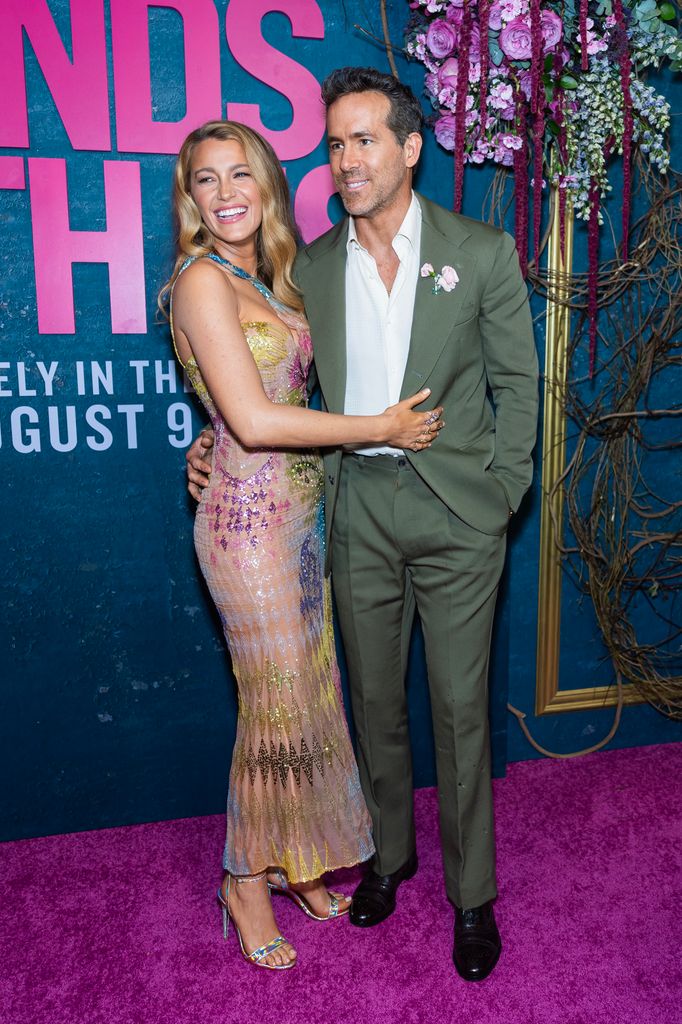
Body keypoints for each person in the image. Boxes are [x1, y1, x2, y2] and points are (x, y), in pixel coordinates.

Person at [186, 67, 539, 982]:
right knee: (373, 708)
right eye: (334, 144)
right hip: (355, 512)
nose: (345, 160)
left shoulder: (484, 251)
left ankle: (472, 897)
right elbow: (261, 380)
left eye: (365, 140)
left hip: (459, 511)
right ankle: (388, 858)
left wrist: (500, 496)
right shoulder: (307, 269)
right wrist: (210, 441)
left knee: (461, 714)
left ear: (410, 147)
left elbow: (518, 388)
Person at [161, 119, 444, 971]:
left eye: (240, 174)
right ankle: (245, 878)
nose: (226, 193)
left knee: (311, 694)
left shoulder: (276, 275)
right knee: (273, 707)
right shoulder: (203, 282)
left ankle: (296, 858)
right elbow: (249, 418)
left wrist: (205, 437)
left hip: (302, 523)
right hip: (247, 531)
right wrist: (382, 428)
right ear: (190, 198)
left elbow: (239, 403)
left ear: (269, 186)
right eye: (206, 180)